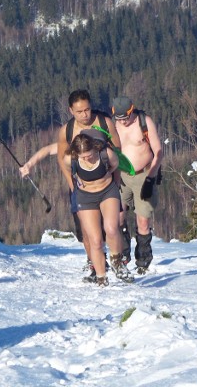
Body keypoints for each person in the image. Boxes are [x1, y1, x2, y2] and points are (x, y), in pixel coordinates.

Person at [57, 89, 121, 272]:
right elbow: (62, 159)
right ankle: (94, 264)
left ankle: (119, 258)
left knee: (113, 225)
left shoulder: (104, 122)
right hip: (81, 187)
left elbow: (117, 152)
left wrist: (116, 180)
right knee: (87, 230)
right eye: (79, 111)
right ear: (71, 110)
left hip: (106, 183)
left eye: (87, 109)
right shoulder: (67, 131)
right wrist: (72, 185)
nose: (85, 115)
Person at [64, 132, 133, 285]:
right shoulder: (71, 159)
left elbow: (115, 166)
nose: (87, 159)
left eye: (89, 155)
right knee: (95, 239)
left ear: (95, 148)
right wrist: (74, 185)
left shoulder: (105, 154)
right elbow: (67, 170)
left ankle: (117, 262)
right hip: (85, 197)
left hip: (107, 191)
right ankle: (101, 277)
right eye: (82, 157)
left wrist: (111, 180)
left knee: (111, 228)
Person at [112, 96, 163, 275]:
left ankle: (143, 260)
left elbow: (158, 151)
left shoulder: (143, 122)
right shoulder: (113, 125)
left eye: (125, 118)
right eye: (119, 119)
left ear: (131, 110)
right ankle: (123, 256)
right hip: (121, 176)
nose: (123, 122)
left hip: (144, 174)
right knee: (117, 218)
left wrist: (151, 178)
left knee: (143, 220)